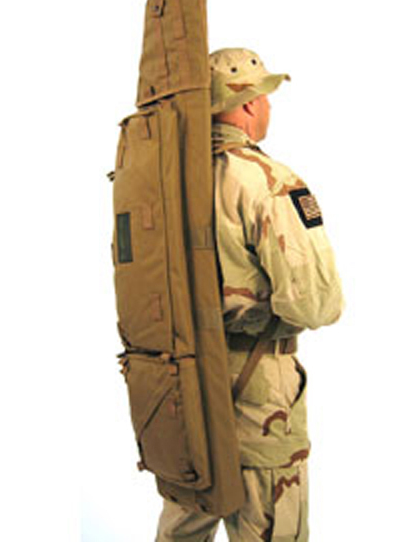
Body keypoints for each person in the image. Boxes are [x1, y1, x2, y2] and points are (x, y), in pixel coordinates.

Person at [156, 48, 344, 541]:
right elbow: (316, 303)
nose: (268, 106)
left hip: (181, 382)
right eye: (265, 96)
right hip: (259, 391)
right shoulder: (268, 182)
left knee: (184, 522)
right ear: (247, 104)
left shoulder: (167, 181)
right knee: (272, 525)